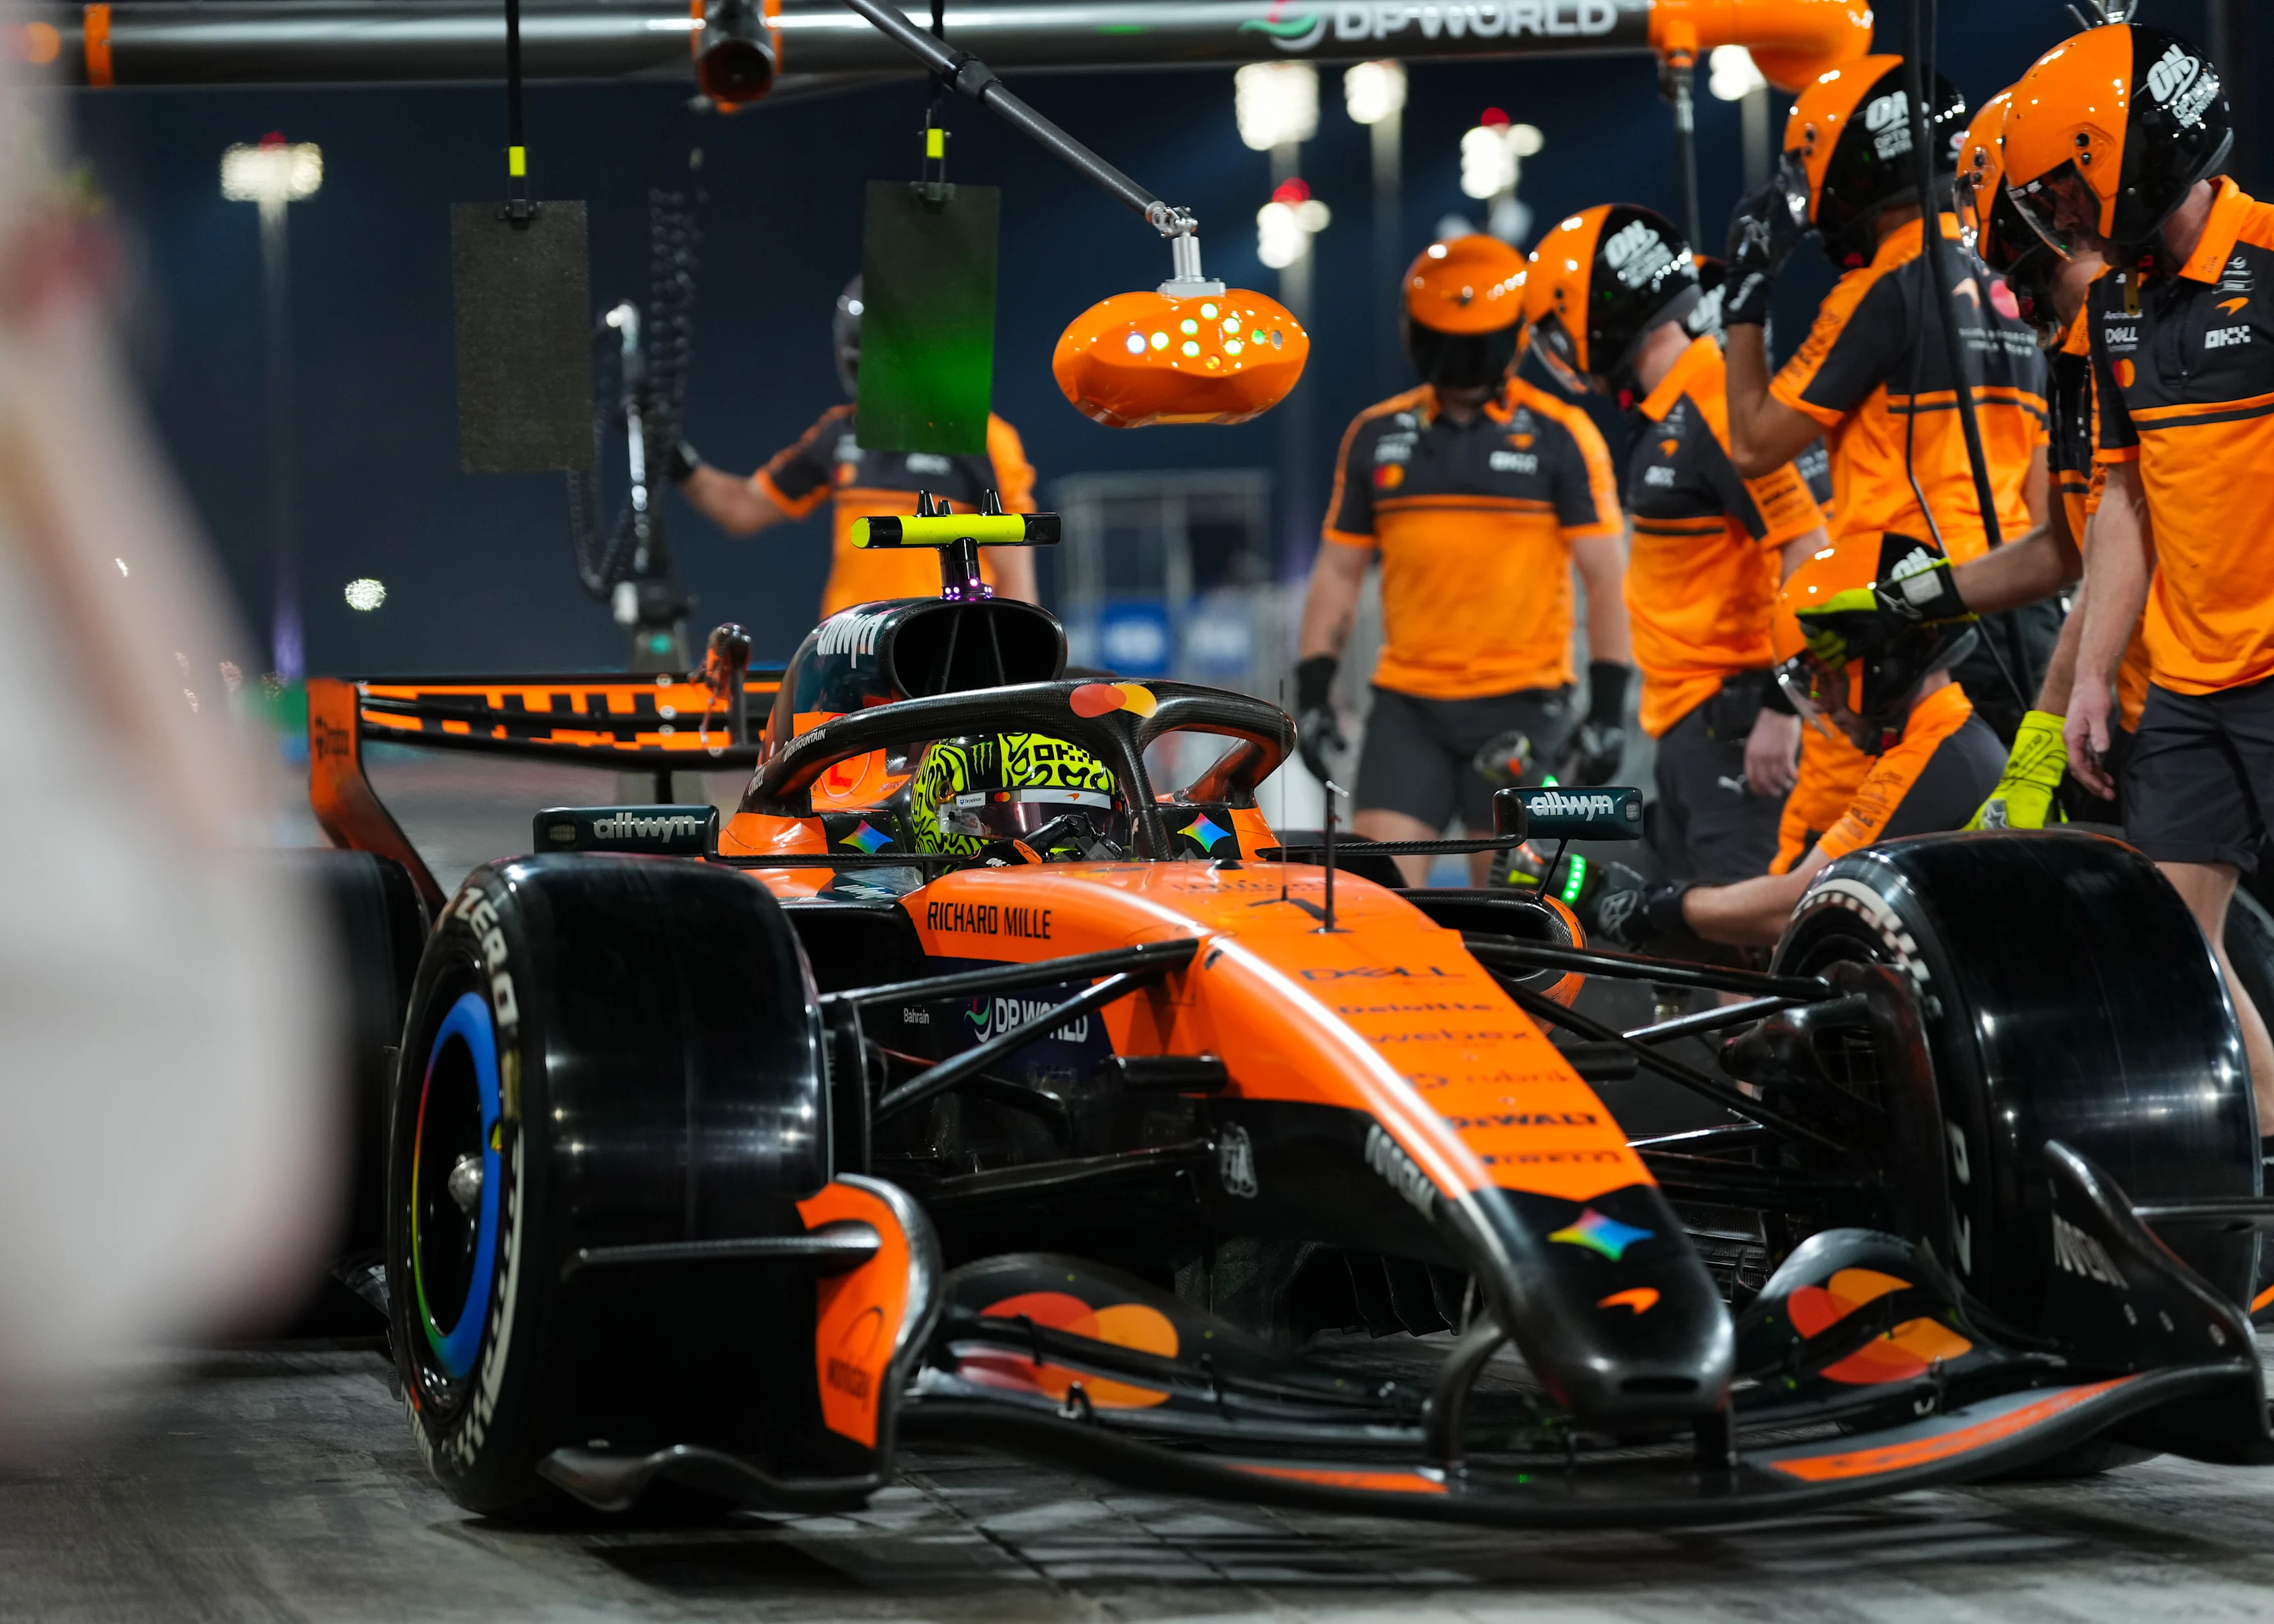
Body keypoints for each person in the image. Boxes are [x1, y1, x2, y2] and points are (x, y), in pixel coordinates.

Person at [2002, 21, 2274, 1123]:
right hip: (2185, 693)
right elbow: (2121, 505)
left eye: (2066, 185)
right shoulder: (2116, 304)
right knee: (2177, 969)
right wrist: (2085, 683)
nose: (2060, 215)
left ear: (2122, 151)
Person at [1721, 55, 2051, 875]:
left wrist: (1746, 298)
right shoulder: (2013, 284)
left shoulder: (1886, 285)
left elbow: (1757, 441)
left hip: (1900, 625)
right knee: (2023, 867)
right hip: (2025, 610)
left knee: (1828, 873)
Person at [1796, 88, 2122, 830]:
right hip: (2121, 688)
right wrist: (1909, 601)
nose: (1987, 268)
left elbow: (2114, 555)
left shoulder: (2129, 333)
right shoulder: (2069, 356)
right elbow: (2064, 549)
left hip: (2194, 683)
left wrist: (2043, 729)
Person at [1295, 234, 1631, 887]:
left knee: (1517, 917)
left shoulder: (1561, 435)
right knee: (1374, 902)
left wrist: (1607, 709)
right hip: (1408, 707)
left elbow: (1606, 578)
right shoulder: (1373, 435)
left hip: (1525, 708)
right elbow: (1336, 572)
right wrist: (1311, 692)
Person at [1524, 204, 1830, 885]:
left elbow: (1809, 546)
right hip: (1693, 719)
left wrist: (1784, 704)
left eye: (1557, 327)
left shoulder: (1712, 401)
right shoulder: (1671, 405)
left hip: (1738, 719)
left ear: (1597, 313)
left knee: (1744, 943)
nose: (1559, 352)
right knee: (1702, 943)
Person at [1581, 532, 2003, 950]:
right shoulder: (1946, 743)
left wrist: (1658, 908)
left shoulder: (1935, 757)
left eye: (1823, 679)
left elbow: (1804, 903)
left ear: (1880, 660)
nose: (1821, 704)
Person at [668, 275, 1039, 617]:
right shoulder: (839, 432)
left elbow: (1017, 581)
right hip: (850, 654)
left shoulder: (984, 439)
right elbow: (743, 509)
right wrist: (676, 461)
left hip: (945, 654)